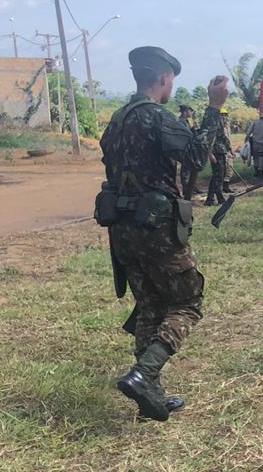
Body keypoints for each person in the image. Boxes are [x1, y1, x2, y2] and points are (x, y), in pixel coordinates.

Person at [95, 46, 229, 421]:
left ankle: (148, 393)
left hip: (122, 229)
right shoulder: (156, 117)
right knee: (188, 302)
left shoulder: (117, 119)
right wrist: (214, 108)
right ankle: (144, 374)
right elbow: (196, 158)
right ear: (165, 79)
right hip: (155, 229)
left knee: (151, 304)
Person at [204, 107, 233, 206]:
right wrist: (210, 154)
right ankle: (220, 198)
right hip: (216, 152)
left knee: (217, 176)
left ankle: (210, 199)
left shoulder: (221, 125)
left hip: (221, 151)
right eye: (224, 115)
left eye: (226, 115)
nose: (225, 117)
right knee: (218, 176)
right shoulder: (214, 125)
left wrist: (229, 149)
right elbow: (208, 141)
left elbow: (224, 138)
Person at [178, 104, 206, 200]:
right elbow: (188, 135)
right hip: (184, 148)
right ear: (185, 111)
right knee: (185, 170)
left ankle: (192, 187)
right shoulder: (181, 122)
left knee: (190, 167)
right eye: (190, 111)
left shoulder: (186, 121)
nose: (191, 113)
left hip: (188, 148)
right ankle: (186, 189)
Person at [245, 112, 263, 176]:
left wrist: (245, 141)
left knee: (255, 157)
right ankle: (261, 171)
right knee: (262, 158)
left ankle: (256, 171)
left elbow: (248, 133)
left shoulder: (254, 123)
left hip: (254, 143)